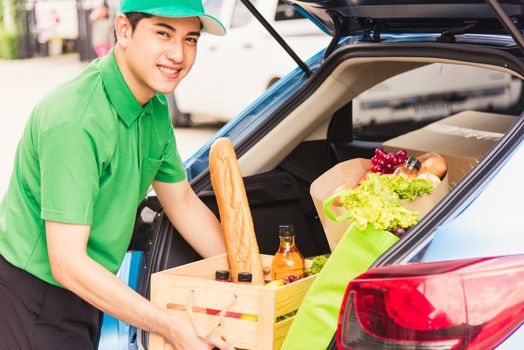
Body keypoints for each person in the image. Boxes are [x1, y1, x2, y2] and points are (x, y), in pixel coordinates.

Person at [0, 0, 233, 349]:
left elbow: (182, 201)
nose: (178, 54)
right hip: (36, 297)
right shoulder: (76, 120)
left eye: (190, 39)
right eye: (163, 33)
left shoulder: (153, 108)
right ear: (124, 30)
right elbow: (68, 264)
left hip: (90, 288)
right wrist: (171, 326)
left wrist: (247, 272)